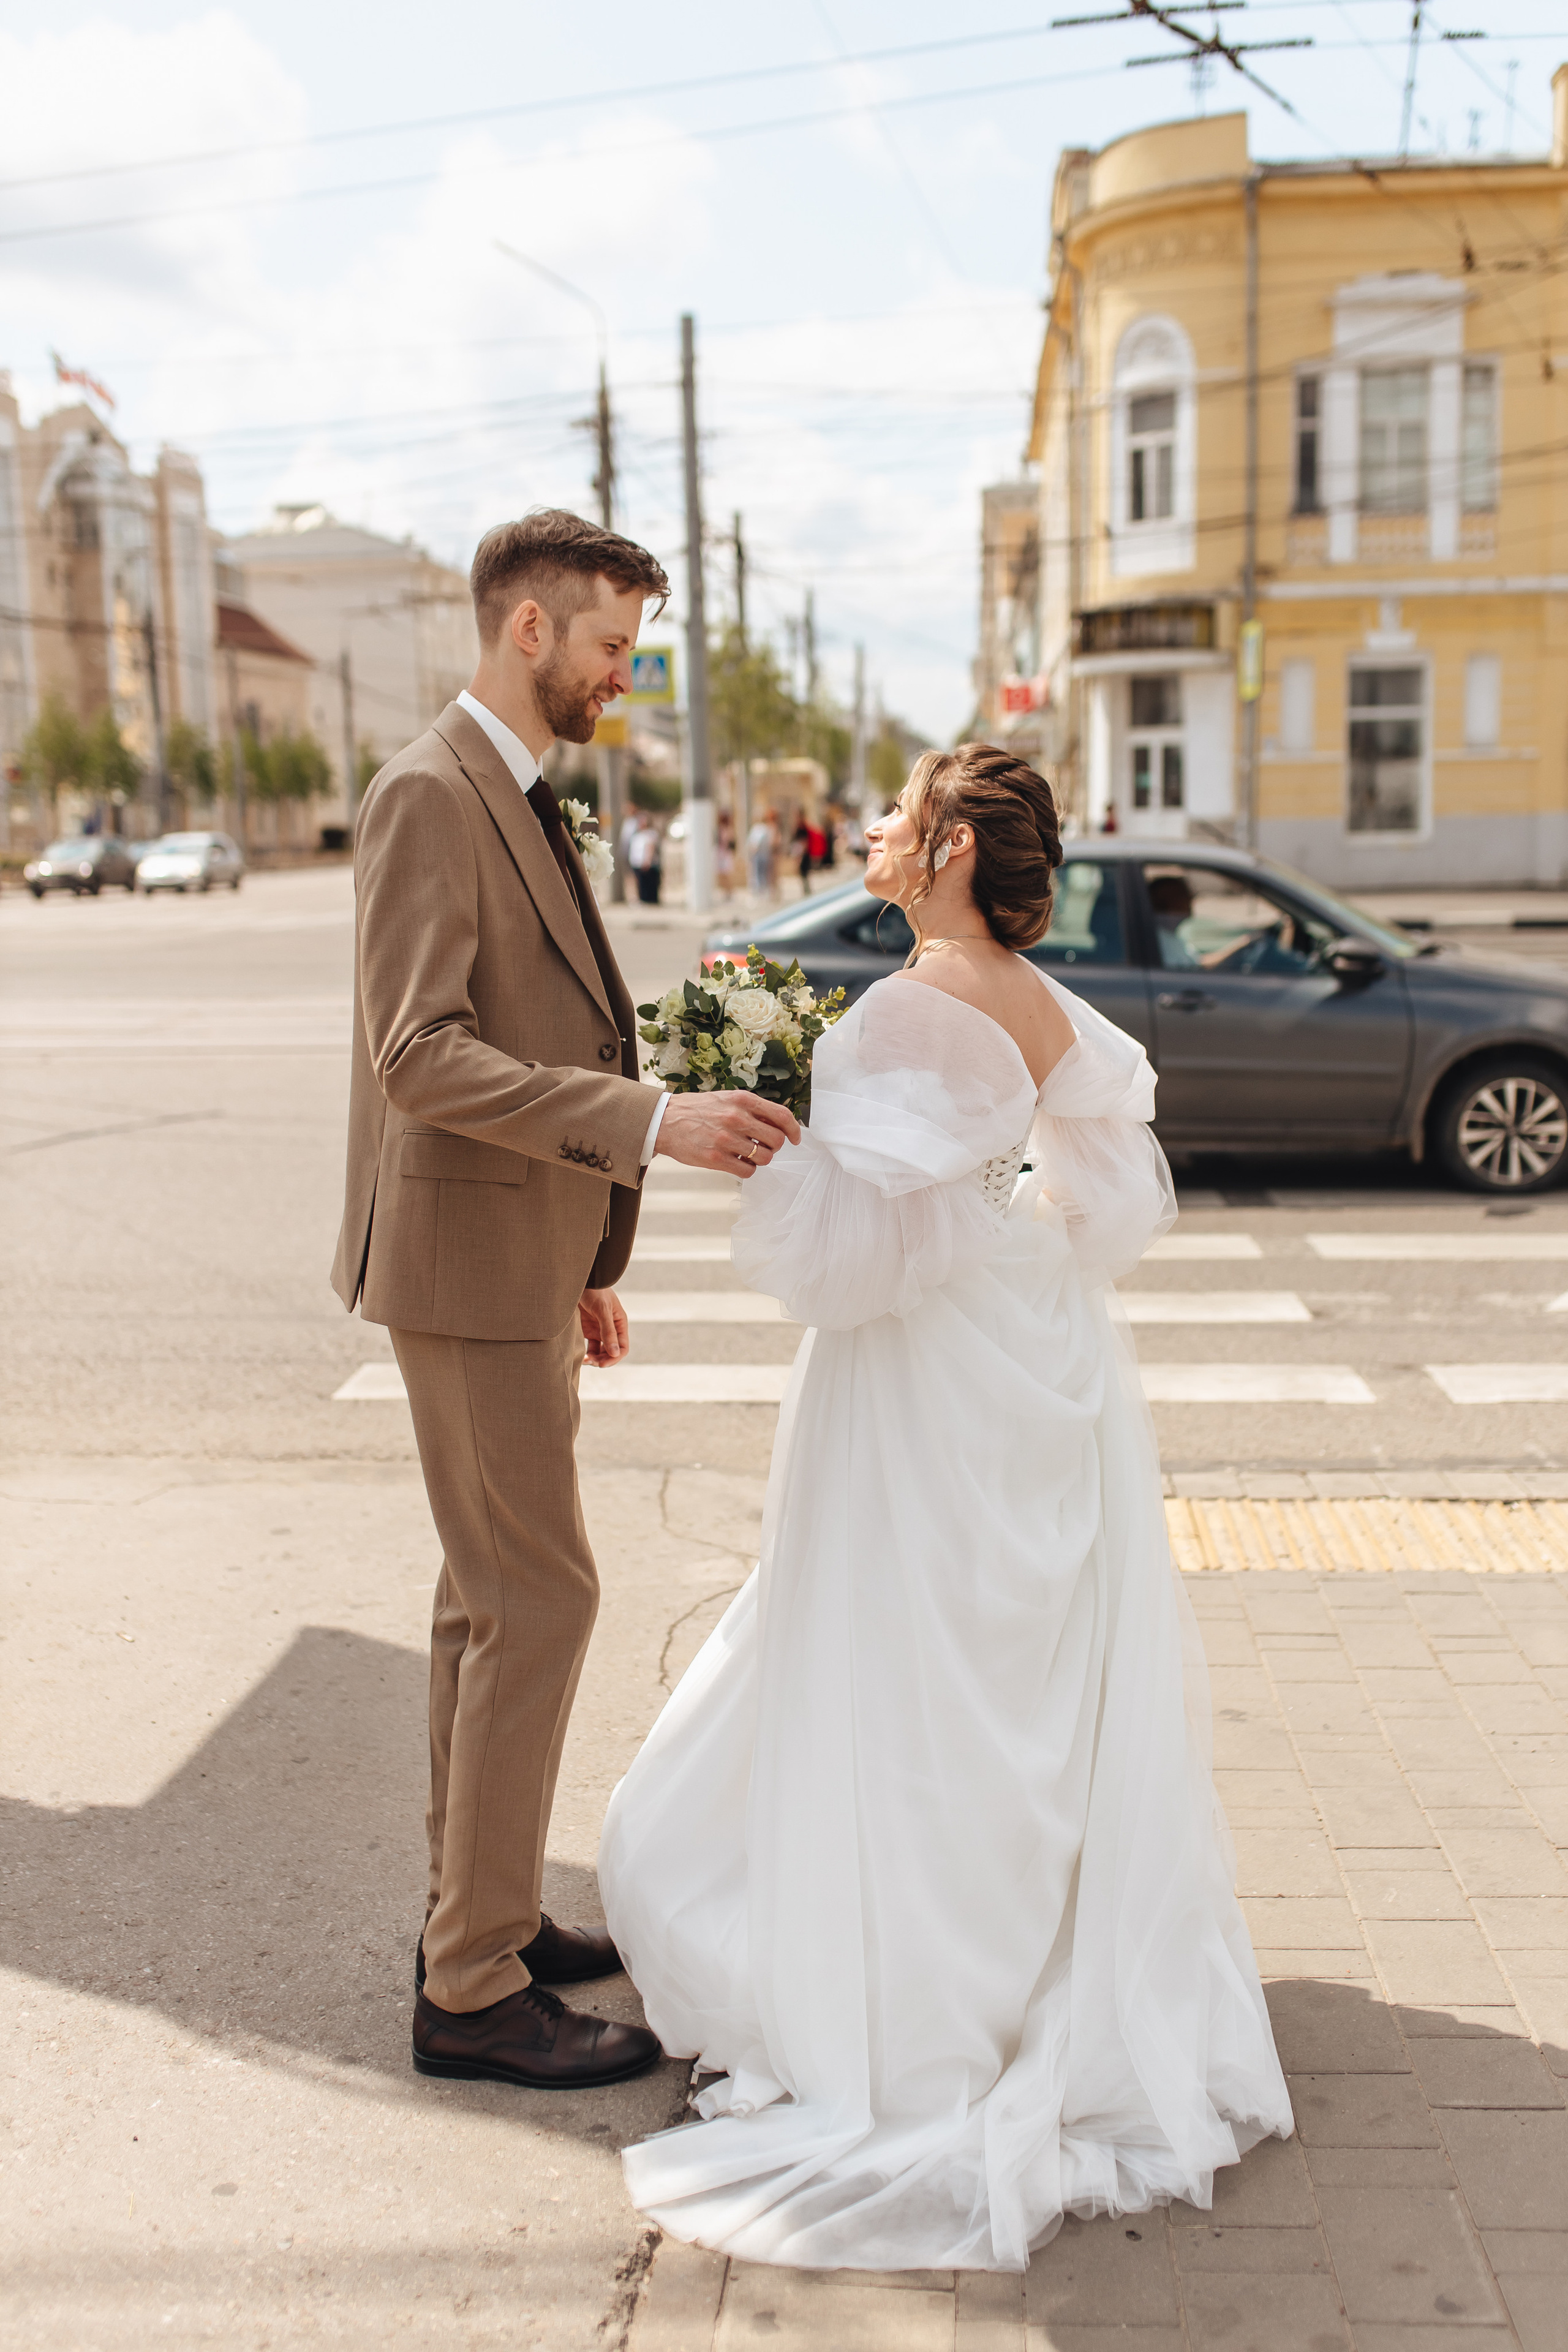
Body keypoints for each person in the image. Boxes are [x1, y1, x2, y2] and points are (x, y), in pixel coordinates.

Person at [600, 741, 1292, 2267]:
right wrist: (999, 1211)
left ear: (954, 847)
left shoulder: (913, 1004)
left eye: (900, 812)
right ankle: (1033, 1962)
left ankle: (917, 1996)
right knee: (1015, 1664)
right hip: (1035, 1352)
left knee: (899, 1658)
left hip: (919, 1378)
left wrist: (766, 1152)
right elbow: (1111, 1204)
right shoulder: (1039, 1000)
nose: (872, 827)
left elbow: (846, 1267)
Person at [331, 508, 800, 2094]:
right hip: (462, 1268)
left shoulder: (517, 787)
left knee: (485, 1601)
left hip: (516, 1259)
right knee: (540, 1600)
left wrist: (588, 1255)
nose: (621, 675)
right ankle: (469, 1990)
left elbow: (545, 1019)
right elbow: (419, 1056)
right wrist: (651, 1125)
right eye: (609, 645)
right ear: (526, 629)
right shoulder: (428, 792)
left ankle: (483, 1916)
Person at [627, 811, 663, 904]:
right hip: (637, 864)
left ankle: (650, 901)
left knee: (650, 885)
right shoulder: (637, 835)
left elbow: (651, 847)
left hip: (648, 864)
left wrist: (647, 861)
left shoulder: (651, 834)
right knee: (641, 884)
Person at [745, 807, 776, 900]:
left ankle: (761, 892)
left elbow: (756, 843)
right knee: (760, 874)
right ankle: (761, 892)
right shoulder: (763, 828)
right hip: (762, 855)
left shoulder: (760, 829)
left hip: (760, 855)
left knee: (759, 874)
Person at [714, 808, 737, 897]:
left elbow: (731, 843)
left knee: (726, 874)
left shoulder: (728, 830)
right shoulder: (721, 830)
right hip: (721, 854)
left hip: (725, 855)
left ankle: (729, 891)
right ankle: (726, 891)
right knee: (722, 874)